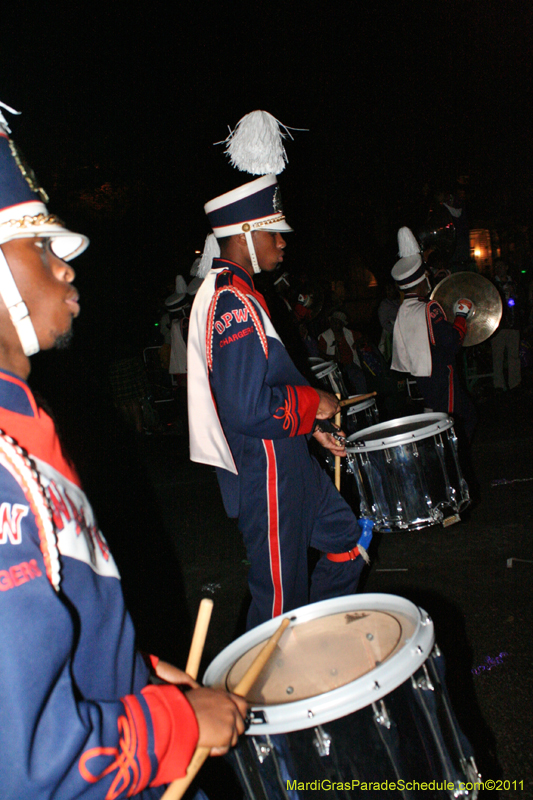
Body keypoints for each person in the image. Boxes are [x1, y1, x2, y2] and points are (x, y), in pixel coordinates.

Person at [0, 102, 246, 799]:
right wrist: (173, 725)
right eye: (40, 246)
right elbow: (25, 764)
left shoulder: (23, 426)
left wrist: (133, 674)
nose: (67, 269)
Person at [187, 172, 366, 630]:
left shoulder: (241, 293)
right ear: (246, 234)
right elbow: (247, 407)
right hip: (265, 467)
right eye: (274, 232)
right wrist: (314, 403)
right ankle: (259, 695)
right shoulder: (230, 302)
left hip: (286, 456)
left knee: (347, 540)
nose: (283, 242)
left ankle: (318, 638)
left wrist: (312, 427)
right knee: (279, 600)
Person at [391, 227, 476, 440]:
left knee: (437, 422)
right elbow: (451, 342)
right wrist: (461, 316)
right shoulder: (430, 309)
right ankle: (451, 465)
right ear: (421, 281)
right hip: (442, 374)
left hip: (423, 377)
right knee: (455, 423)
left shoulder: (404, 309)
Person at [491, 260, 521, 392]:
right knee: (498, 356)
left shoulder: (514, 283)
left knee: (514, 356)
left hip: (513, 324)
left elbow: (522, 301)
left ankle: (515, 384)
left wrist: (515, 294)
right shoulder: (492, 284)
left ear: (506, 267)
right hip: (498, 326)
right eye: (497, 267)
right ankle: (499, 385)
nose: (499, 269)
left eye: (501, 266)